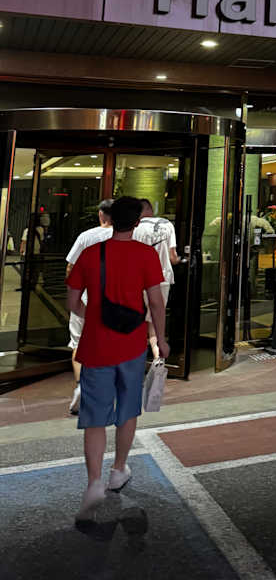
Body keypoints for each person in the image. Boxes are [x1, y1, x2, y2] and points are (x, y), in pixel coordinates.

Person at [66, 195, 168, 522]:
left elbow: (72, 301)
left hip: (96, 345)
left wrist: (93, 316)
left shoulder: (91, 253)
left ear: (108, 219)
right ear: (136, 222)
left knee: (95, 417)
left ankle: (94, 483)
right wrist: (161, 340)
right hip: (132, 344)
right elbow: (156, 303)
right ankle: (118, 470)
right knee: (127, 409)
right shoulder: (146, 254)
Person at [65, 200, 114, 416]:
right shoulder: (128, 237)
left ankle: (81, 387)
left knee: (78, 343)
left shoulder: (86, 236)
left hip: (86, 297)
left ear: (101, 214)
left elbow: (71, 267)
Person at [133, 198, 180, 359]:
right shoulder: (167, 225)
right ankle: (157, 356)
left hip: (140, 278)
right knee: (155, 318)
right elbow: (173, 257)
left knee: (136, 316)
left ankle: (134, 355)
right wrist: (181, 260)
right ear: (151, 210)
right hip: (163, 277)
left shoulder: (135, 227)